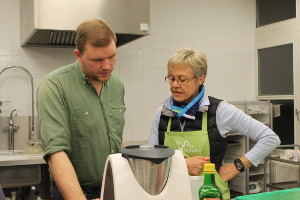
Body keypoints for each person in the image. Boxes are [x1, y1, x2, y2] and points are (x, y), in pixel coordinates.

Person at [148, 47, 281, 200]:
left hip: (211, 194)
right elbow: (151, 161)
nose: (174, 85)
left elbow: (270, 138)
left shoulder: (219, 111)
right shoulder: (163, 113)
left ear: (200, 79)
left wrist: (235, 167)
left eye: (182, 79)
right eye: (171, 78)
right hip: (171, 194)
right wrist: (181, 164)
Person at [37, 19, 125, 200]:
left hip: (113, 188)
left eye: (112, 56)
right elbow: (56, 152)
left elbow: (117, 139)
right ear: (78, 55)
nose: (107, 66)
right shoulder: (55, 85)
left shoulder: (117, 85)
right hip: (75, 192)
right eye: (97, 60)